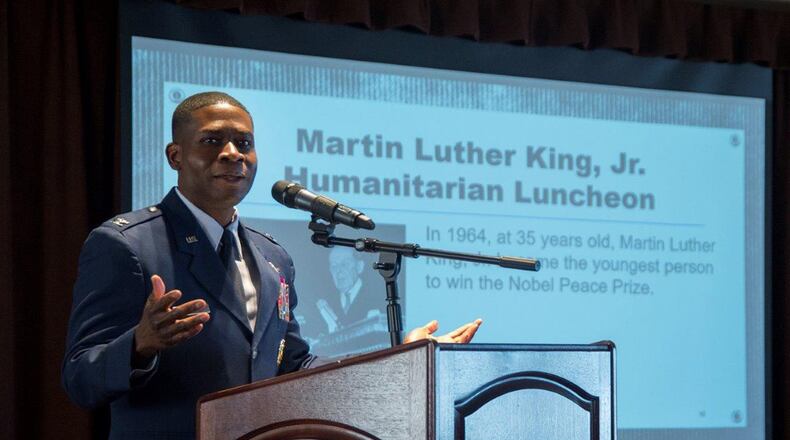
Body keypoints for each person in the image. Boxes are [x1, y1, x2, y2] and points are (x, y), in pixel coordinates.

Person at [62, 91, 481, 439]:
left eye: (244, 143)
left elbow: (294, 367)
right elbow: (80, 378)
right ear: (175, 155)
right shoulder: (125, 245)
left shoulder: (271, 257)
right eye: (213, 141)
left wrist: (400, 358)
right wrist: (139, 345)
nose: (232, 154)